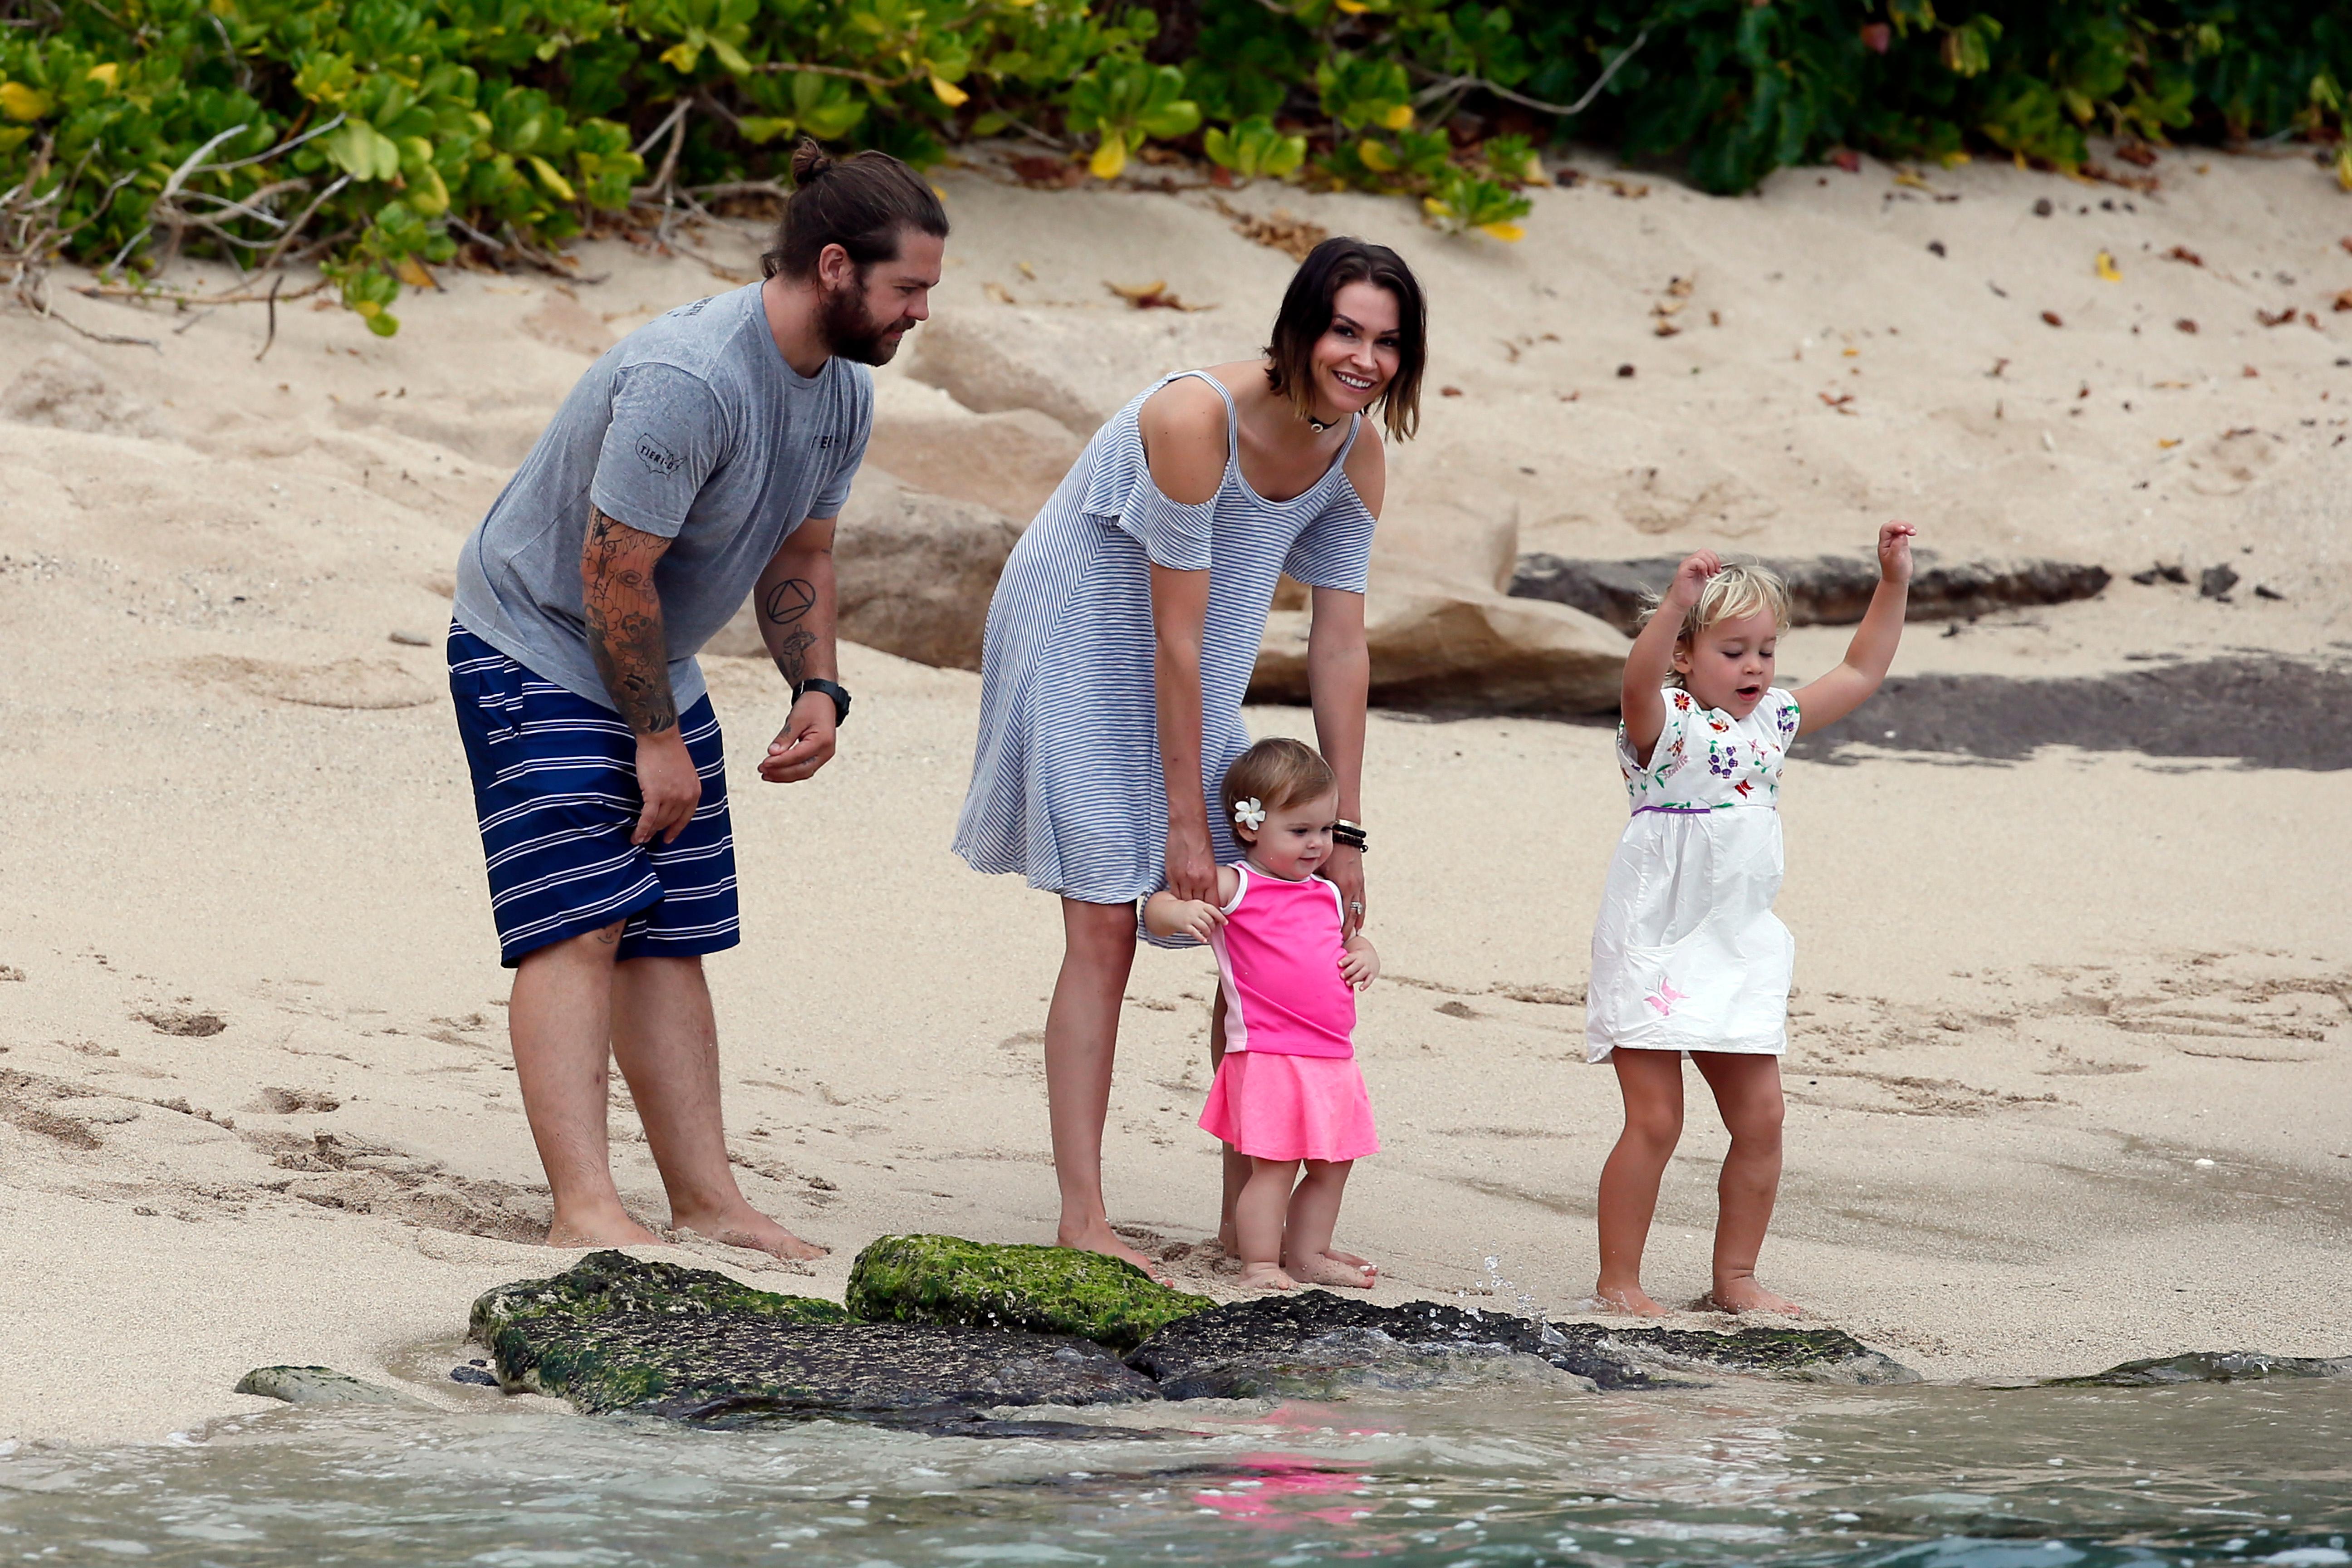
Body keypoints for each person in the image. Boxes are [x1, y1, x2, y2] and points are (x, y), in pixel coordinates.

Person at [445, 139, 947, 1257]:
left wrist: (817, 681)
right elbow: (608, 574)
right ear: (833, 267)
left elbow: (803, 550)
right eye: (907, 289)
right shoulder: (691, 380)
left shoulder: (841, 394)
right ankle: (585, 1206)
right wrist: (657, 742)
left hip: (647, 659)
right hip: (533, 640)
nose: (920, 314)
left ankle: (707, 1198)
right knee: (581, 918)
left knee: (670, 928)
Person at [954, 238, 1424, 1277]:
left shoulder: (1355, 450)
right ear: (1300, 325)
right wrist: (1178, 821)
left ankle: (1242, 1222)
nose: (1362, 358)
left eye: (1386, 342)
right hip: (1077, 643)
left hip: (1193, 667)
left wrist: (1344, 830)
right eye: (1345, 330)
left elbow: (1337, 642)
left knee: (1262, 919)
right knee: (1105, 928)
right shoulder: (1191, 418)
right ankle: (1082, 1214)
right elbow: (1168, 630)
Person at [1586, 524, 1918, 1315]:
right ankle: (1618, 1281)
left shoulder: (1772, 720)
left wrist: (1892, 581)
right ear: (1685, 653)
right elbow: (1634, 677)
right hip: (1654, 942)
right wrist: (1673, 604)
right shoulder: (1659, 722)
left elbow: (1861, 668)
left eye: (1765, 650)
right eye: (1732, 650)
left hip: (1735, 943)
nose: (1754, 667)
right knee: (1656, 1119)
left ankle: (1733, 1278)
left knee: (1762, 1117)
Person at [1145, 739, 1381, 1290]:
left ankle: (1307, 1252)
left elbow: (1353, 939)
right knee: (1273, 1167)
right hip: (1269, 1053)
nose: (1317, 845)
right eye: (1299, 832)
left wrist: (1367, 953)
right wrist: (1179, 912)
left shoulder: (1325, 891)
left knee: (1333, 1163)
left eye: (1324, 830)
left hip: (1332, 1056)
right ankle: (1259, 1263)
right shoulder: (1238, 884)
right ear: (1251, 827)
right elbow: (1153, 909)